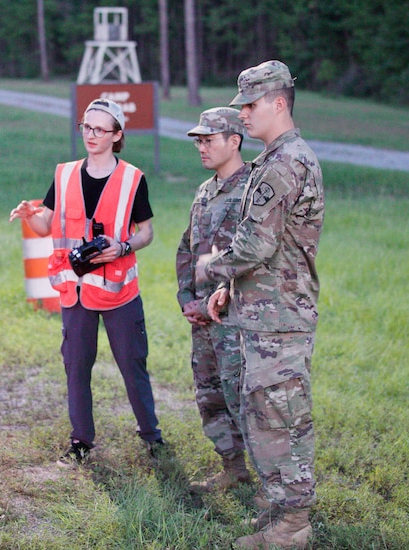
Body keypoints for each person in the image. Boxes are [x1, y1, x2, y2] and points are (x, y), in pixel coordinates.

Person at [193, 60, 324, 549]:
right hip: (265, 311)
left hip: (280, 317)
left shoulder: (286, 162)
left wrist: (214, 266)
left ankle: (293, 525)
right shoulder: (275, 159)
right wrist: (234, 287)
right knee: (264, 415)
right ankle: (279, 512)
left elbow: (255, 246)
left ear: (278, 103)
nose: (242, 115)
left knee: (282, 418)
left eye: (249, 105)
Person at [9, 98, 165, 467]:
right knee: (76, 366)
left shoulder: (132, 178)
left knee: (132, 364)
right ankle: (80, 441)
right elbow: (48, 226)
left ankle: (151, 437)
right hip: (74, 290)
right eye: (85, 127)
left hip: (118, 291)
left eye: (99, 129)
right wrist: (30, 215)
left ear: (117, 135)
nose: (90, 135)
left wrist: (124, 246)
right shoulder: (63, 174)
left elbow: (148, 233)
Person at [175, 107, 252, 494]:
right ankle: (233, 469)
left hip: (238, 318)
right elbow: (187, 249)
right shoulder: (205, 191)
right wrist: (187, 298)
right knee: (210, 394)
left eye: (209, 140)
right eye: (198, 141)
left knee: (247, 399)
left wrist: (221, 299)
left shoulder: (253, 191)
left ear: (234, 141)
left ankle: (276, 489)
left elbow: (260, 254)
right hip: (203, 319)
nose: (201, 148)